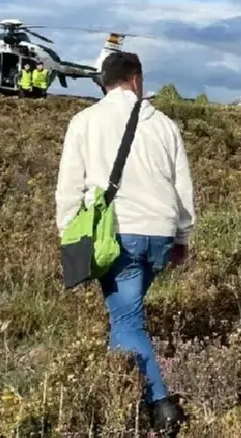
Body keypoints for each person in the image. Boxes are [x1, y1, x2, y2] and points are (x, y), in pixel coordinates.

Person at [54, 51, 194, 434]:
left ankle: (159, 405)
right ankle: (121, 392)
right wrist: (183, 235)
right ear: (136, 79)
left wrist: (70, 233)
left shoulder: (84, 122)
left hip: (117, 233)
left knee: (127, 320)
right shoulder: (166, 125)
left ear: (105, 82)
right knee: (125, 318)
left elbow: (69, 186)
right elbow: (183, 186)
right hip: (160, 233)